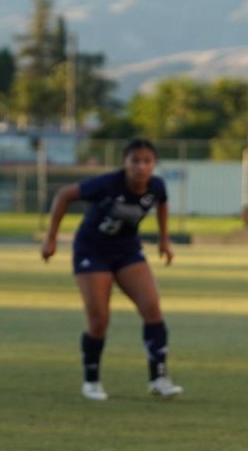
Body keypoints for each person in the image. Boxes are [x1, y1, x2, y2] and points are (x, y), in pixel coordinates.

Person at [41, 138, 183, 401]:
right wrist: (51, 237)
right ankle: (92, 381)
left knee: (152, 309)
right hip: (92, 251)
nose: (141, 167)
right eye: (135, 161)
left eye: (147, 161)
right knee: (99, 319)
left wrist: (164, 238)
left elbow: (162, 203)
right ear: (125, 163)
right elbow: (64, 195)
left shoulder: (156, 187)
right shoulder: (106, 184)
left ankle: (159, 379)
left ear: (154, 165)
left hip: (127, 252)